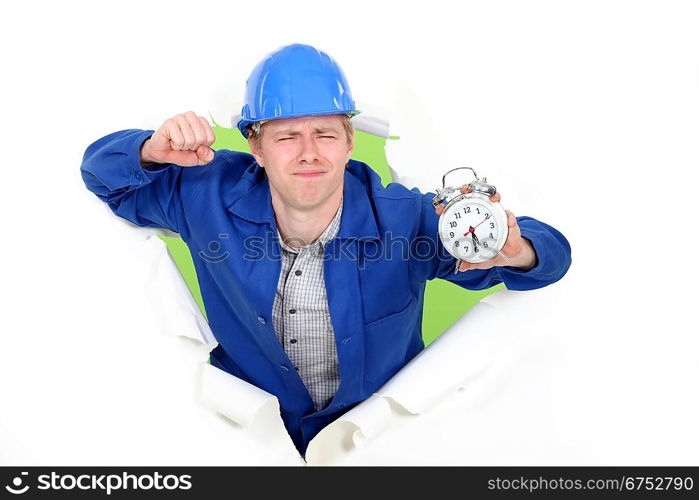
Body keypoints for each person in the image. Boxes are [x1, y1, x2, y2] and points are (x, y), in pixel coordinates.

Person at [80, 43, 572, 457]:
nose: (309, 152)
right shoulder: (204, 193)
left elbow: (551, 255)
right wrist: (148, 149)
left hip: (377, 446)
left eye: (325, 134)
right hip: (242, 440)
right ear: (256, 146)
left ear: (350, 140)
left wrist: (517, 249)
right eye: (287, 136)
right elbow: (103, 175)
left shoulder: (406, 220)